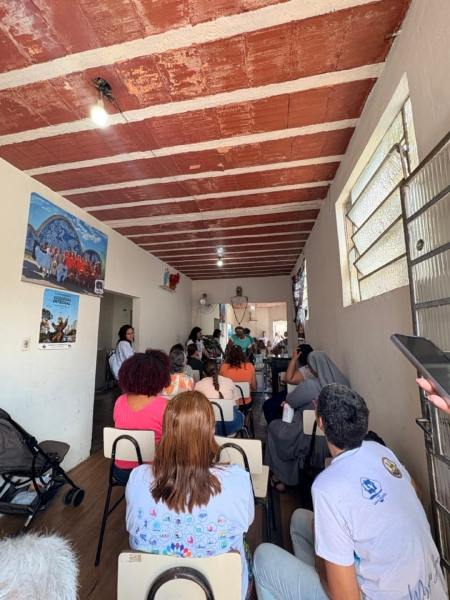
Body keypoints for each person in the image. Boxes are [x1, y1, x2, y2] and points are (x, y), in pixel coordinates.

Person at [254, 383, 448, 600]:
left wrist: (320, 561)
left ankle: (324, 577)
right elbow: (417, 492)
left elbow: (346, 598)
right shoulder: (381, 450)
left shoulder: (326, 486)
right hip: (432, 589)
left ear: (321, 423)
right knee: (300, 519)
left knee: (263, 557)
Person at [125, 391, 255, 600]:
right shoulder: (237, 479)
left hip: (153, 591)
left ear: (166, 430)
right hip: (221, 591)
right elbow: (246, 522)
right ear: (210, 430)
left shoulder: (137, 477)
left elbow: (132, 528)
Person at [265, 351, 349, 492]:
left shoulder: (311, 386)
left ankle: (280, 477)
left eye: (310, 367)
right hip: (337, 442)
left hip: (308, 439)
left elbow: (291, 400)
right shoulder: (344, 385)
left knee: (274, 428)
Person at [113, 349, 172, 485]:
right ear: (160, 377)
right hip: (154, 473)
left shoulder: (120, 401)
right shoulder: (166, 405)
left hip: (121, 472)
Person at [263, 344, 314, 424]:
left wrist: (294, 359)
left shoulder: (307, 369)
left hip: (297, 394)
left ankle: (276, 427)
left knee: (268, 405)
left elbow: (289, 379)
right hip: (299, 393)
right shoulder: (310, 368)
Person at [195, 359, 245, 436]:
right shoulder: (228, 381)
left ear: (203, 373)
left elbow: (197, 408)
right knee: (241, 416)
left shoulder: (198, 385)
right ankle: (235, 442)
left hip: (208, 427)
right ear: (218, 369)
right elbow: (237, 405)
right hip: (231, 425)